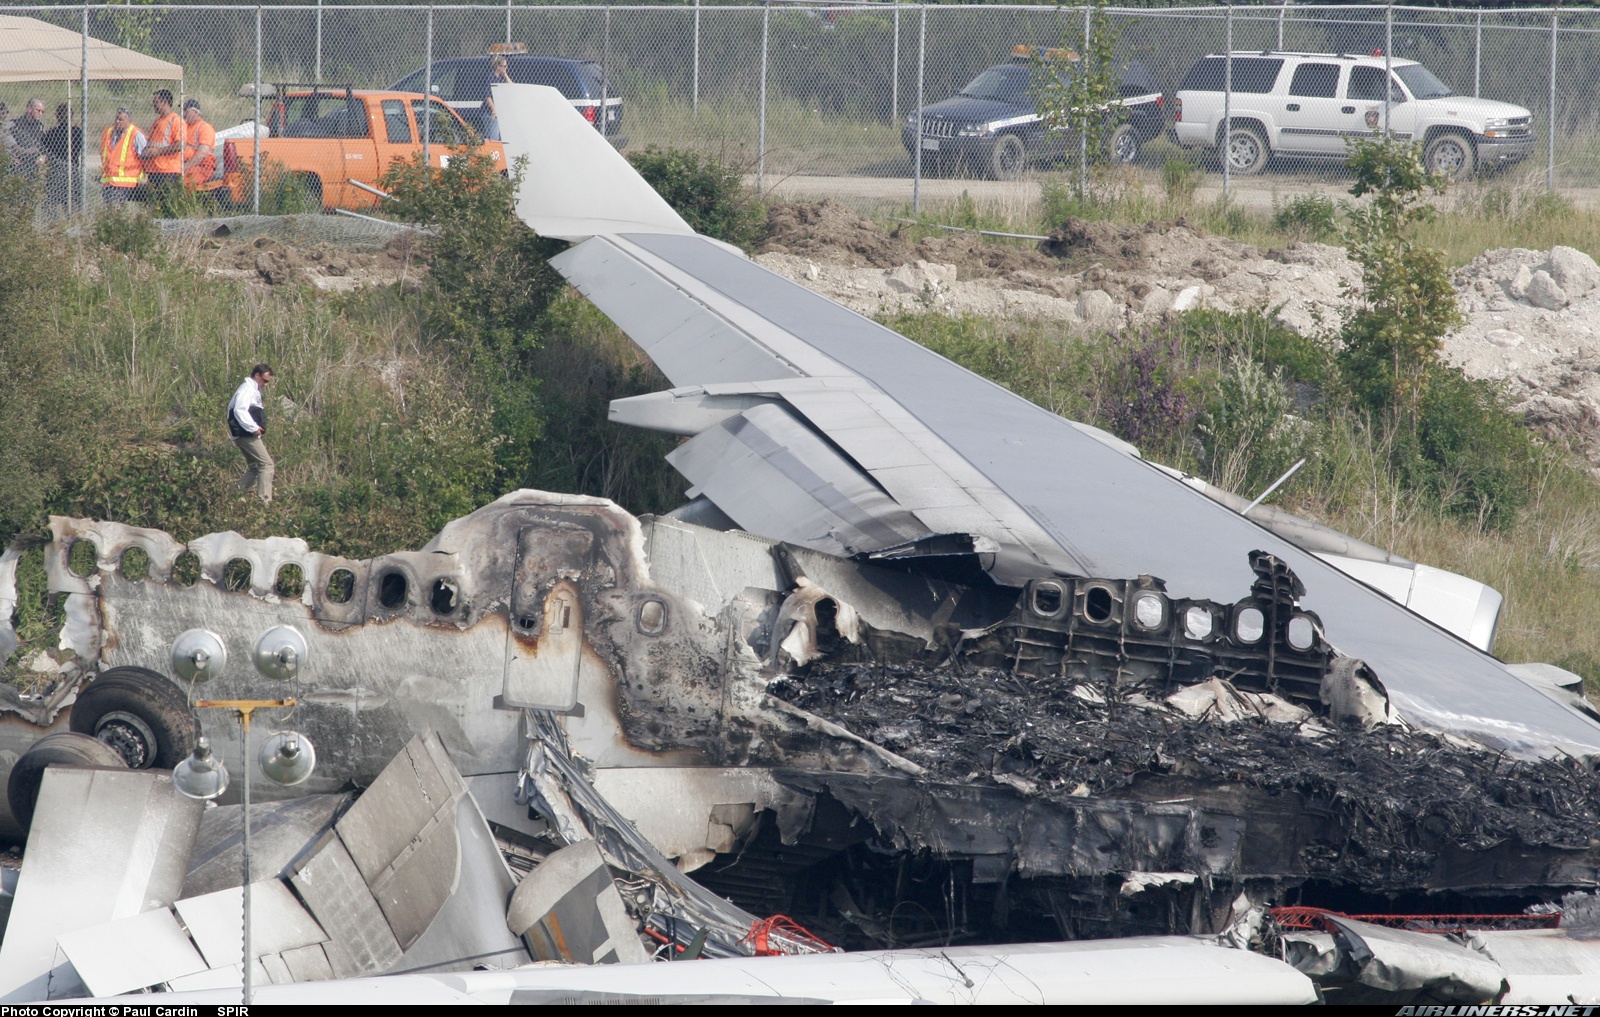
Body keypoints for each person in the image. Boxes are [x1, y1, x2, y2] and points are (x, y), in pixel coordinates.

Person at [228, 364, 275, 504]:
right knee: (266, 465)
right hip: (246, 434)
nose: (265, 385)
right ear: (257, 375)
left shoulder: (253, 389)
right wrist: (253, 428)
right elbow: (239, 409)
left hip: (244, 433)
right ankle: (264, 504)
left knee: (254, 468)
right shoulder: (247, 388)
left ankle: (231, 498)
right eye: (265, 381)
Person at [143, 89, 185, 210]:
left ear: (165, 102)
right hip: (154, 171)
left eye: (156, 102)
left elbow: (180, 145)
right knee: (153, 206)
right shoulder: (156, 121)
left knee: (167, 206)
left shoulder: (176, 120)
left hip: (168, 172)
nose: (154, 105)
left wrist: (157, 152)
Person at [42, 102, 84, 212]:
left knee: (51, 204)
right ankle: (72, 223)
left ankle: (52, 225)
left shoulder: (51, 133)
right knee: (72, 205)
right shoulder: (78, 132)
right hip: (72, 171)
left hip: (55, 172)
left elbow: (44, 151)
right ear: (71, 116)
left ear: (58, 116)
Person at [100, 108, 147, 205]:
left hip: (128, 183)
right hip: (109, 182)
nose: (117, 122)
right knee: (111, 211)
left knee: (117, 211)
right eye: (116, 119)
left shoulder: (136, 134)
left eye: (121, 120)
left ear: (129, 121)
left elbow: (145, 156)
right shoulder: (108, 133)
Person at [179, 98, 216, 189]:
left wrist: (185, 167)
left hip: (200, 166)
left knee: (184, 184)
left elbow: (202, 154)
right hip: (185, 164)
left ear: (195, 112)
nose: (183, 114)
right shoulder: (185, 127)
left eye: (186, 110)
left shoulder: (204, 127)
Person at [10, 98, 46, 184]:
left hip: (33, 166)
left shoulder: (39, 127)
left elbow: (43, 146)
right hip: (18, 165)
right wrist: (11, 156)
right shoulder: (15, 124)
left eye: (42, 112)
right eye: (38, 110)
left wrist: (42, 157)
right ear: (29, 109)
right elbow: (8, 144)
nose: (40, 114)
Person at [480, 54, 514, 141]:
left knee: (492, 136)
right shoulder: (491, 77)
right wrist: (493, 109)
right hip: (489, 111)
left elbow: (512, 87)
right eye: (503, 66)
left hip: (500, 110)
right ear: (497, 66)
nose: (505, 68)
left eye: (506, 66)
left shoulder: (502, 78)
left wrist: (505, 75)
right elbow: (487, 95)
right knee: (493, 136)